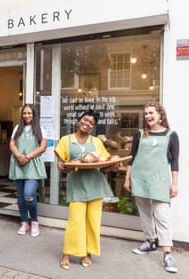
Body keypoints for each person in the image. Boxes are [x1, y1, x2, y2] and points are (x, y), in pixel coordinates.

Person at [54, 109, 115, 270]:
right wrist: (66, 167)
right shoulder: (66, 140)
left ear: (93, 127)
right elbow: (60, 163)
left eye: (91, 123)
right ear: (79, 120)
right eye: (85, 120)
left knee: (93, 222)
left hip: (95, 185)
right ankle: (67, 253)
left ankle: (87, 253)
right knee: (75, 221)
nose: (87, 124)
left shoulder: (96, 142)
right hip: (77, 186)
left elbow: (104, 163)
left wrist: (112, 164)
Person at [123, 101, 180, 273]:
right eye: (146, 113)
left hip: (160, 181)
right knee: (145, 213)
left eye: (151, 113)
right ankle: (150, 241)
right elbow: (132, 158)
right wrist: (127, 179)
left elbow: (175, 162)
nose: (148, 116)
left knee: (162, 217)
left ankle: (167, 254)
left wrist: (175, 184)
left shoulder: (171, 135)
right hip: (139, 179)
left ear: (160, 114)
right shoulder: (140, 134)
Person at [9, 104, 47, 237]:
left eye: (29, 113)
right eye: (24, 113)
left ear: (34, 114)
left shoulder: (40, 129)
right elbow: (12, 143)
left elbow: (43, 147)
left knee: (28, 194)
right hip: (19, 163)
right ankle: (24, 222)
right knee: (20, 196)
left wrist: (27, 157)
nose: (27, 116)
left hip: (33, 164)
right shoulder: (17, 128)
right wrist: (19, 155)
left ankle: (35, 221)